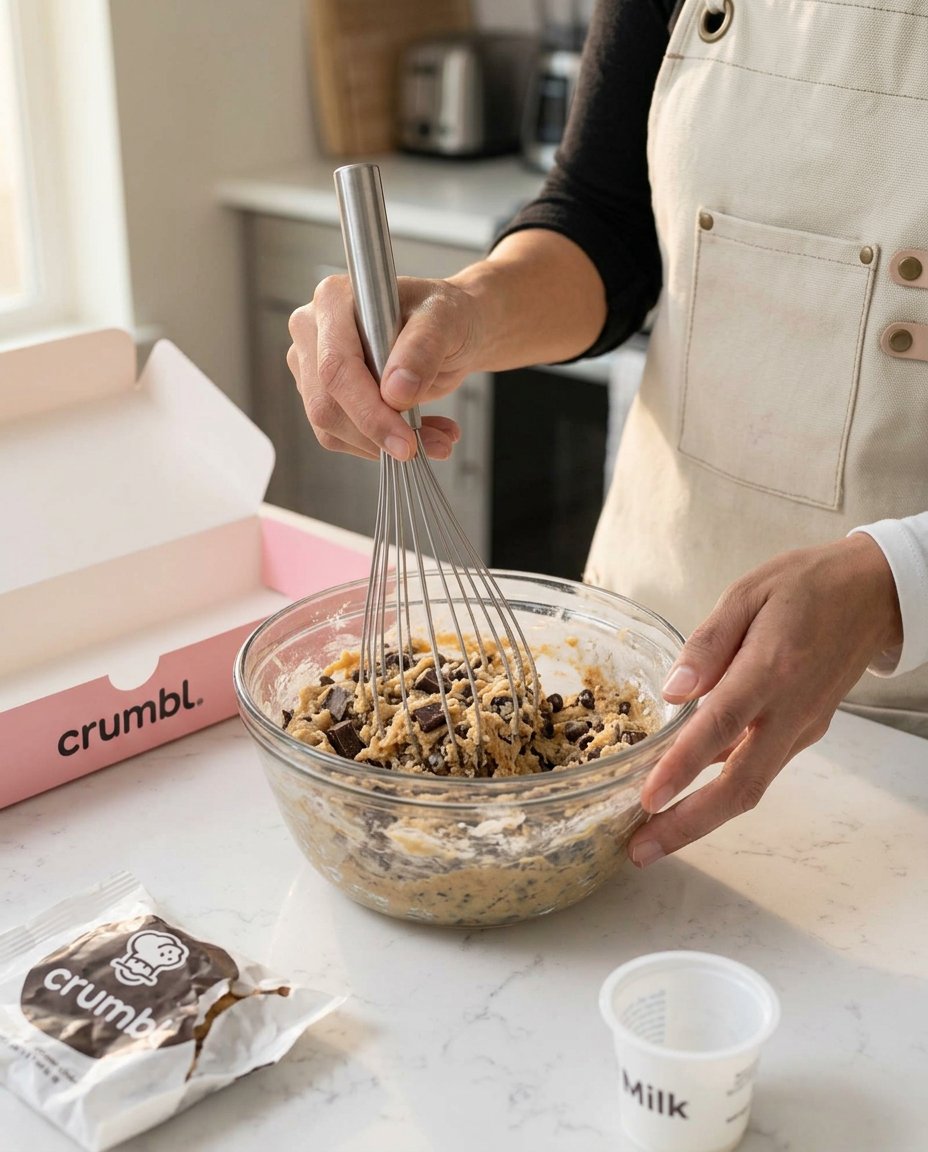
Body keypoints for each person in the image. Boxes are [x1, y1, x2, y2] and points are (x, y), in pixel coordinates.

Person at [287, 0, 928, 867]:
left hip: (904, 736)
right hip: (644, 675)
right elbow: (605, 222)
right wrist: (470, 312)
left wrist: (894, 580)